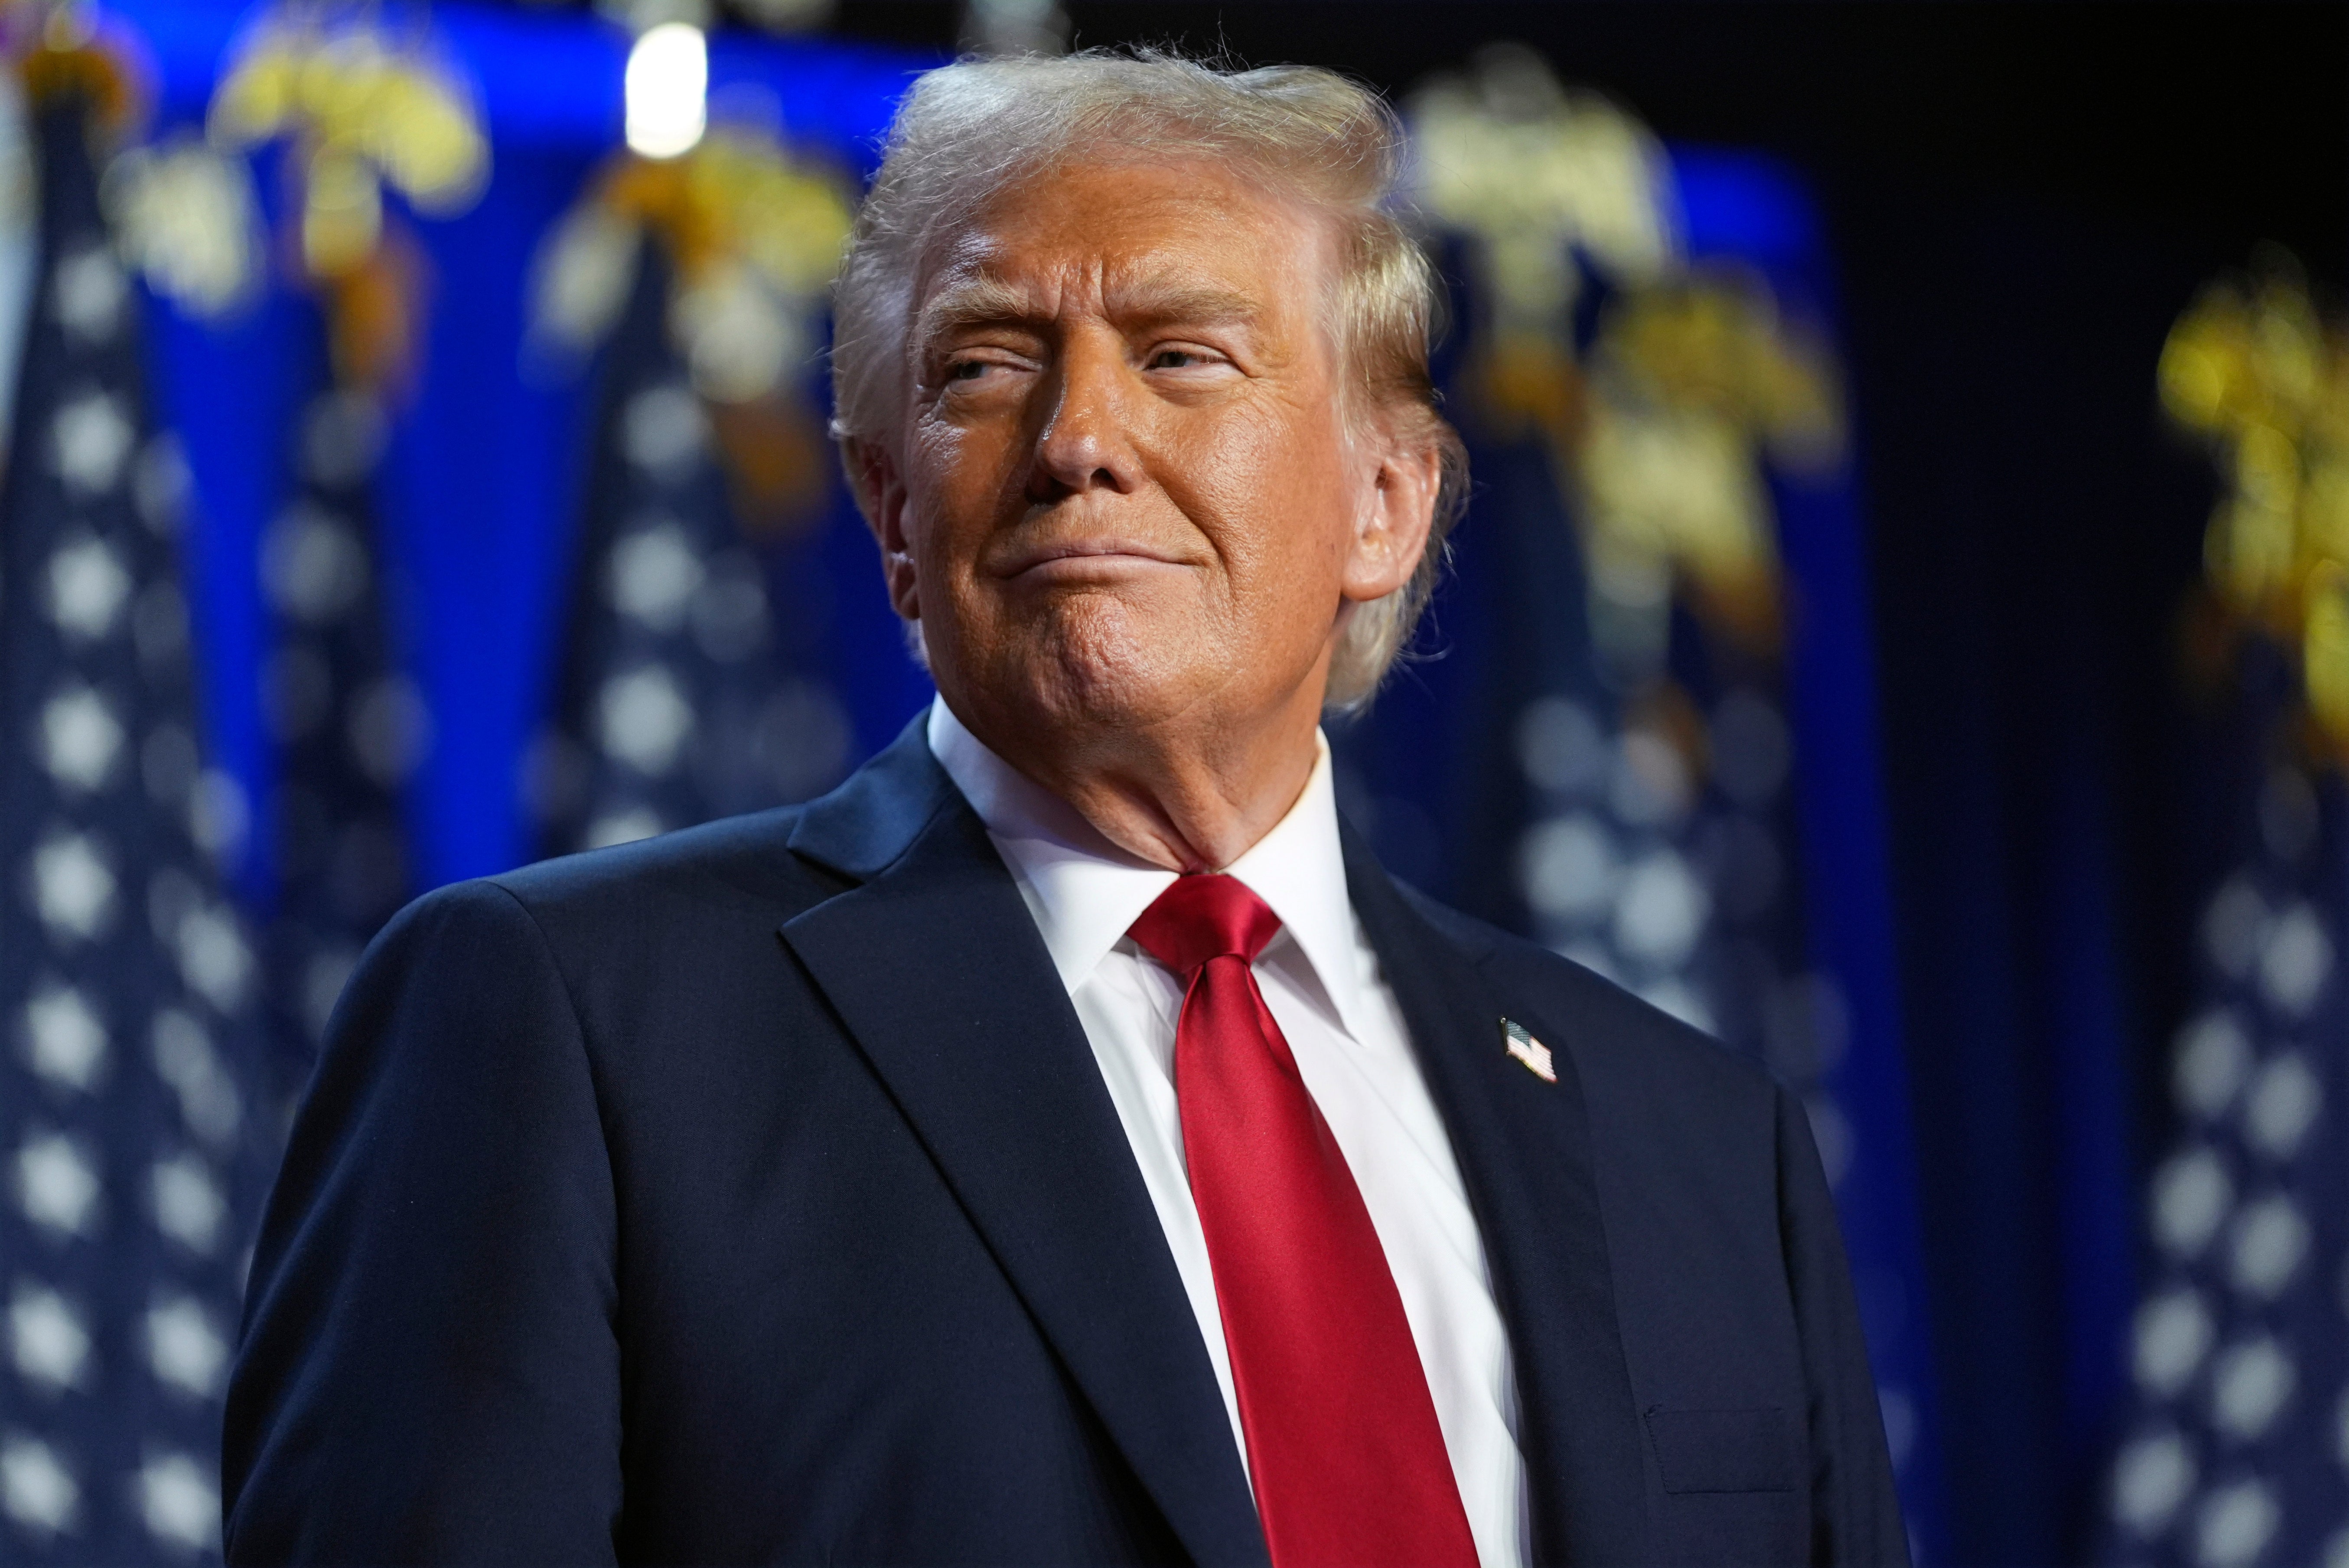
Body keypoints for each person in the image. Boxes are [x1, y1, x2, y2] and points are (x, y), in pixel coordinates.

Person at [222, 50, 1907, 1568]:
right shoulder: (565, 1026)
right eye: (981, 365)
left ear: (1383, 504)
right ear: (889, 511)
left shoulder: (1695, 1141)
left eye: (1180, 353)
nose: (1077, 435)